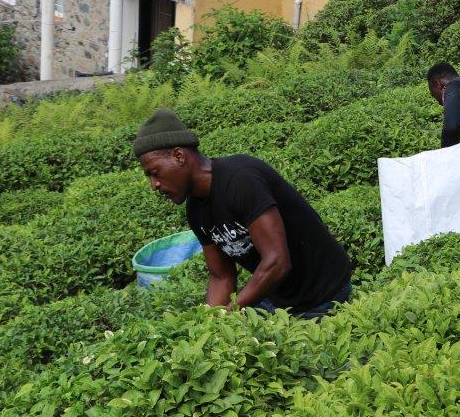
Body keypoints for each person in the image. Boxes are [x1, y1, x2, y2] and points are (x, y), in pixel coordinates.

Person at [133, 109, 352, 318]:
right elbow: (222, 276)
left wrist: (232, 309)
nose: (154, 185)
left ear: (179, 156)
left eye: (155, 172)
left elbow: (277, 261)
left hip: (323, 294)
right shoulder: (195, 211)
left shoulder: (241, 179)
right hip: (276, 298)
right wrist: (208, 322)